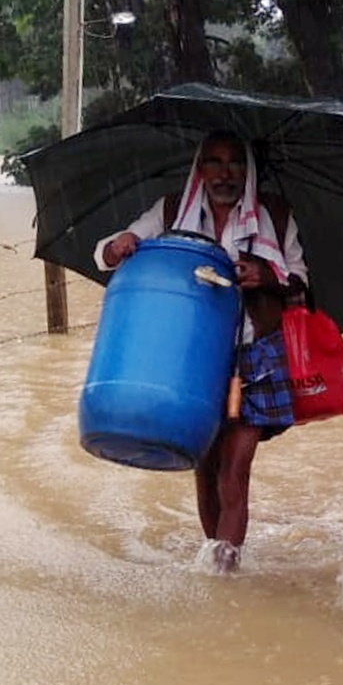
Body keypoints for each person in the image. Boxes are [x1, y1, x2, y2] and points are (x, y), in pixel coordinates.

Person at [95, 131, 308, 574]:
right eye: (214, 162)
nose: (224, 173)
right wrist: (119, 246)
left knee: (234, 471)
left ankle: (224, 573)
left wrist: (266, 275)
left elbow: (300, 281)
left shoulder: (276, 215)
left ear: (248, 171)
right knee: (205, 467)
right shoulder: (172, 210)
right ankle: (216, 558)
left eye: (234, 163)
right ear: (200, 169)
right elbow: (114, 248)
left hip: (255, 354)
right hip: (193, 355)